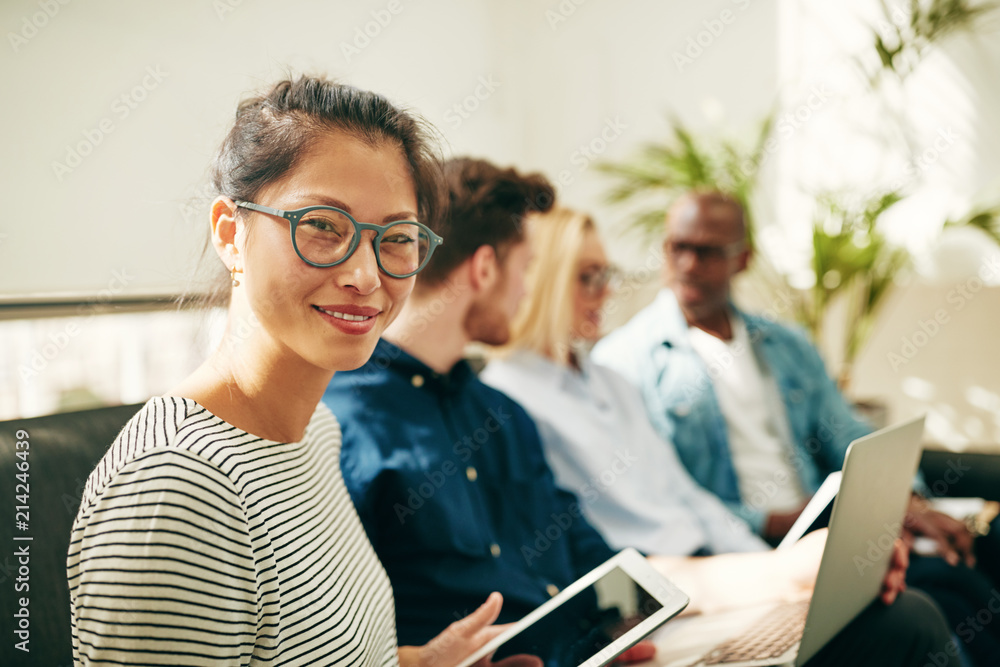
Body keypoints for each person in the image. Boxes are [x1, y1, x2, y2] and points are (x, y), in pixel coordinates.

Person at [324, 160, 959, 667]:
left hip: (620, 644)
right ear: (488, 267)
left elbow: (608, 574)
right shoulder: (346, 426)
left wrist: (783, 577)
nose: (528, 292)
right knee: (909, 623)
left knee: (897, 619)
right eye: (529, 270)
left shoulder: (500, 417)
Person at [67, 77, 537, 667]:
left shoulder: (315, 432)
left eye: (395, 238)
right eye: (321, 225)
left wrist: (421, 663)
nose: (366, 275)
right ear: (230, 234)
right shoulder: (178, 490)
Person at [592, 189, 1000, 665]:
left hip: (822, 518)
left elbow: (847, 431)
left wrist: (905, 501)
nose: (687, 263)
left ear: (741, 258)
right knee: (930, 601)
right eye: (675, 247)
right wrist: (773, 520)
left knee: (973, 565)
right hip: (744, 550)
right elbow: (665, 498)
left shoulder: (784, 344)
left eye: (706, 251)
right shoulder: (625, 364)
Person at [482, 207, 769, 557]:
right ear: (544, 282)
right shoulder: (505, 396)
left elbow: (686, 493)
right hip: (648, 580)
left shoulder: (612, 381)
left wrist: (759, 558)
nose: (607, 293)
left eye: (607, 275)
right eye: (589, 277)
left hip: (703, 561)